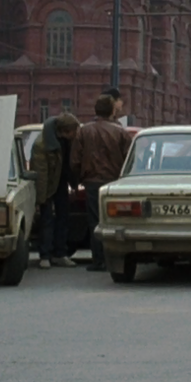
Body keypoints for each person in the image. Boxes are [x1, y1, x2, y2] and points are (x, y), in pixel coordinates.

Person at [70, 94, 132, 271]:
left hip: (92, 182)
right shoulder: (121, 132)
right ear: (113, 111)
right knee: (117, 221)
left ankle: (98, 260)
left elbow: (75, 160)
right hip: (115, 183)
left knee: (95, 222)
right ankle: (117, 257)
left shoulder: (84, 131)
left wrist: (77, 181)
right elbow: (130, 159)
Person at [32, 113, 80, 269]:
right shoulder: (42, 144)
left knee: (63, 217)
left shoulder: (68, 141)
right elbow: (41, 174)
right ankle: (45, 255)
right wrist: (42, 198)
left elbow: (69, 165)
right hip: (48, 184)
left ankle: (60, 253)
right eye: (74, 131)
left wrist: (74, 185)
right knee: (46, 218)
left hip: (60, 182)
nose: (76, 134)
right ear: (65, 131)